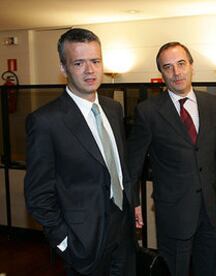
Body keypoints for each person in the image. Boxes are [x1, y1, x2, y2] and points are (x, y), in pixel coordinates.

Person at [24, 28, 137, 275]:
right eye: (79, 63)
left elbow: (119, 168)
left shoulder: (113, 109)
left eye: (95, 61)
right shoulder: (45, 121)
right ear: (64, 68)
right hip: (83, 242)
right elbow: (37, 195)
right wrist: (65, 241)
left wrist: (132, 205)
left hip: (124, 233)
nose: (90, 70)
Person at [127, 41, 216, 276]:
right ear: (162, 73)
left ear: (192, 66)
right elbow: (132, 164)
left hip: (211, 208)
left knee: (209, 269)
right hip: (173, 212)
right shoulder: (148, 111)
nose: (176, 72)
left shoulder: (214, 104)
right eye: (168, 67)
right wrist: (133, 202)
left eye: (181, 64)